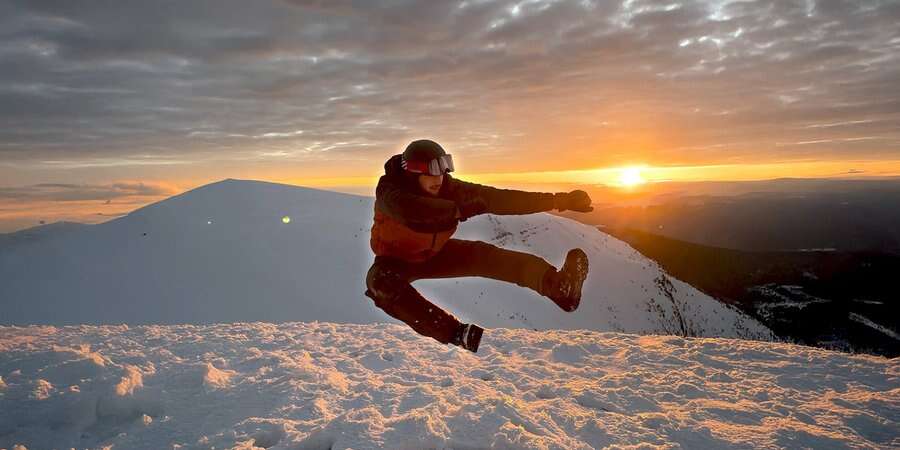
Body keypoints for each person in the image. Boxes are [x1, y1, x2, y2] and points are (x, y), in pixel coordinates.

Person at [364, 139, 593, 353]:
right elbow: (411, 211)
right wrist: (457, 210)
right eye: (433, 170)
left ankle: (561, 289)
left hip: (434, 253)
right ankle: (456, 333)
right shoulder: (389, 190)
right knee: (380, 283)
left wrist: (559, 200)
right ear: (412, 172)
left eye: (444, 168)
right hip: (395, 260)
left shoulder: (451, 190)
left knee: (485, 256)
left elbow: (498, 198)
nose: (439, 177)